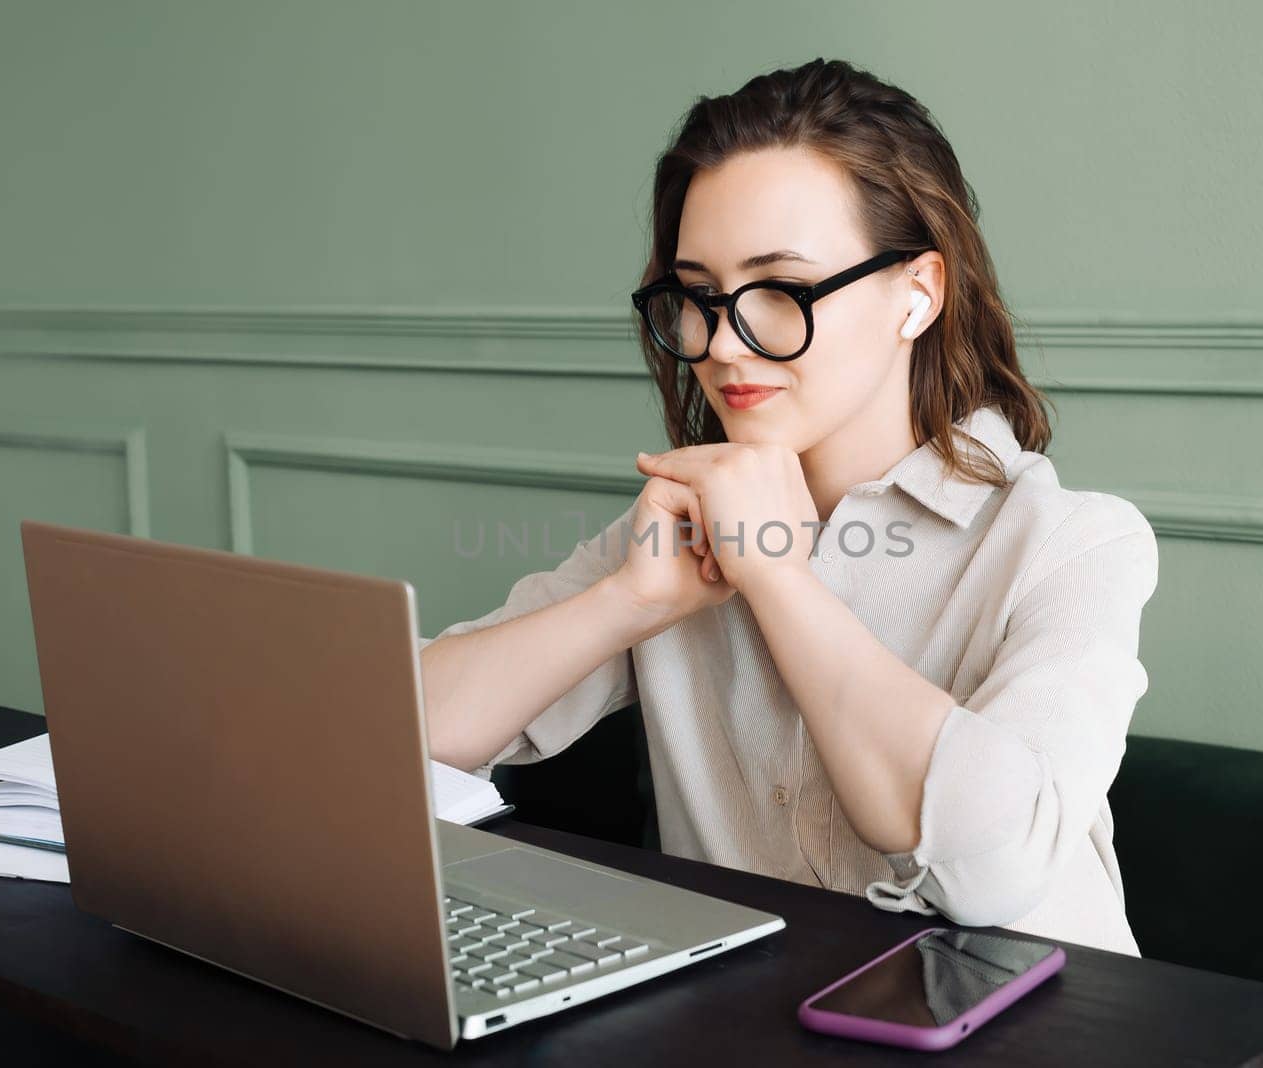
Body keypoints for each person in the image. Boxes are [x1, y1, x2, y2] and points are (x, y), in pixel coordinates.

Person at [421, 57, 1158, 957]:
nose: (724, 342)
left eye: (784, 291)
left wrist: (775, 575)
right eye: (697, 296)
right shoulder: (675, 528)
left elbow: (991, 870)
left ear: (918, 293)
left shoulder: (1073, 544)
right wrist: (630, 602)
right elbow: (402, 733)